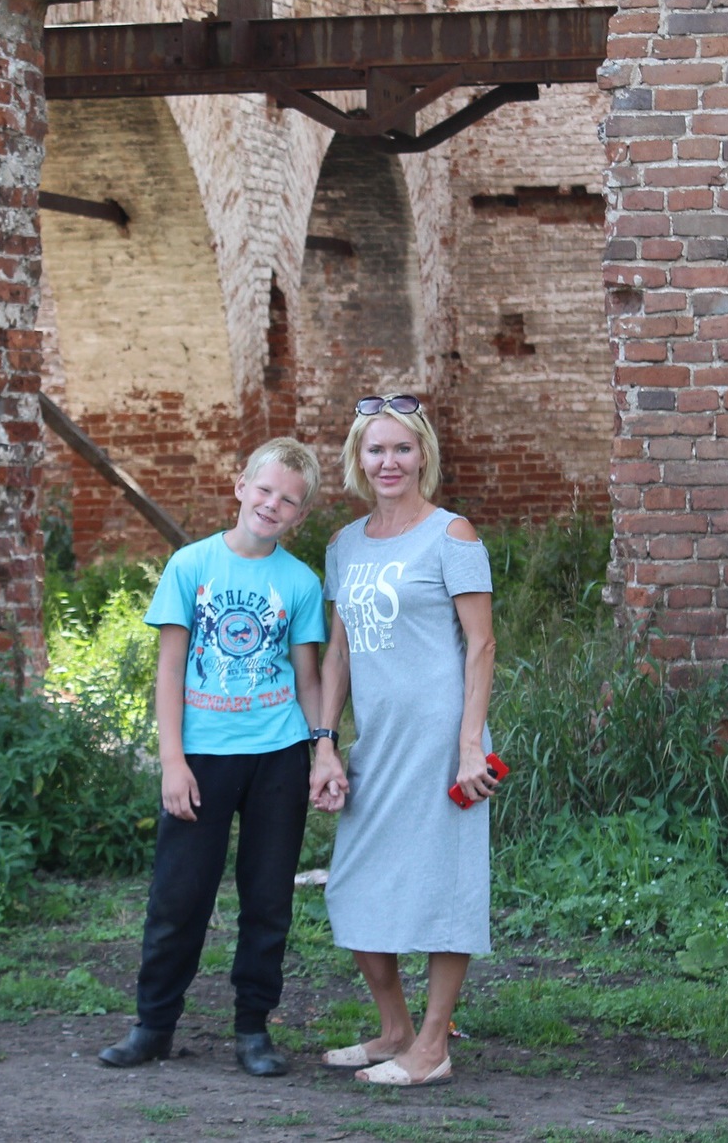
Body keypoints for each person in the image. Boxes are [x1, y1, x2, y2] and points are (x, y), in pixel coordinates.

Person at [99, 438, 328, 1078]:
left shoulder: (300, 582)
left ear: (299, 514)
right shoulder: (191, 566)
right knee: (179, 896)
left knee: (267, 898)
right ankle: (153, 1025)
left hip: (278, 756)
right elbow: (169, 669)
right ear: (240, 487)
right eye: (264, 490)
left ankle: (253, 1029)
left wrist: (322, 750)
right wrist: (173, 759)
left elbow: (307, 676)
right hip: (202, 756)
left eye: (288, 499)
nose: (272, 504)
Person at [307, 393, 498, 1088]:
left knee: (446, 883)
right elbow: (338, 653)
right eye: (375, 449)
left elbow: (481, 645)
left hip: (443, 741)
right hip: (378, 741)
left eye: (402, 448)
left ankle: (432, 1044)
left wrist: (470, 743)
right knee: (353, 883)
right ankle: (393, 1028)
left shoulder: (453, 535)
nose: (389, 461)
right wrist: (325, 743)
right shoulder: (343, 545)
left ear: (423, 455)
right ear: (359, 460)